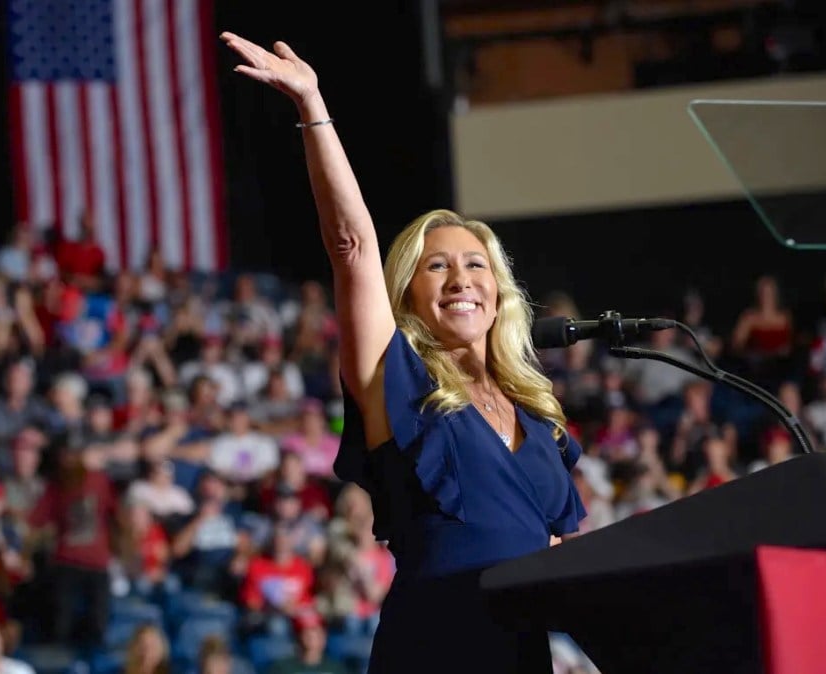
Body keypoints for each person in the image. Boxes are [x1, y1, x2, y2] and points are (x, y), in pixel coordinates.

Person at [221, 32, 586, 674]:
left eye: (476, 264)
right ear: (409, 296)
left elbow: (557, 554)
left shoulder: (539, 414)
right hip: (433, 645)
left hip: (521, 654)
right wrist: (313, 107)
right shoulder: (399, 384)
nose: (460, 279)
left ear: (498, 293)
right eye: (436, 266)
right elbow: (351, 248)